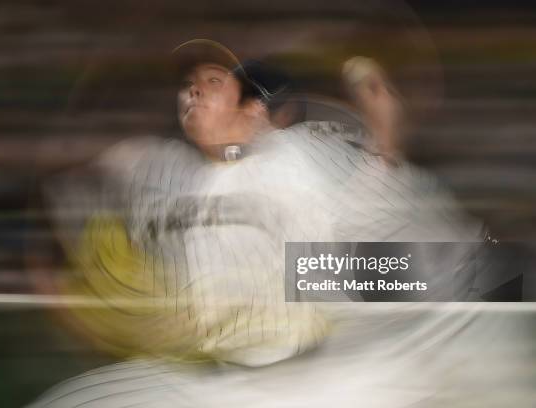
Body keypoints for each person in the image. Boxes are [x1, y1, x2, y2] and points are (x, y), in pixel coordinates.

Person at [29, 39, 492, 407]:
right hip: (221, 383)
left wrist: (386, 137)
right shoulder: (166, 171)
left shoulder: (292, 158)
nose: (194, 90)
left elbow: (372, 218)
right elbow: (82, 188)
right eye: (189, 83)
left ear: (252, 111)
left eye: (214, 81)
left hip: (320, 383)